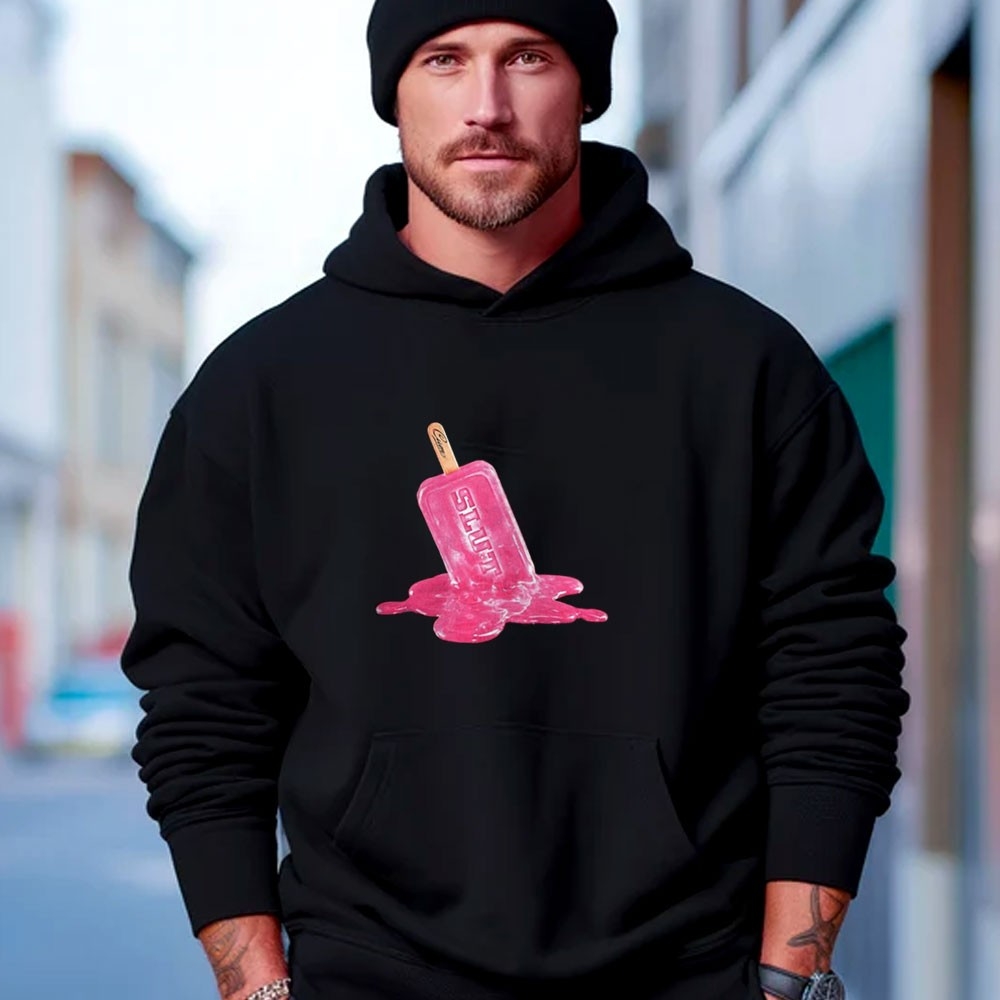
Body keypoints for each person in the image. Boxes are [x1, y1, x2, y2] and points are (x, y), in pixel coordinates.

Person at [121, 1, 909, 998]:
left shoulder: (744, 366)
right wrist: (257, 986)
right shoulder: (261, 388)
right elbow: (203, 705)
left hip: (686, 973)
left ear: (586, 89)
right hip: (366, 976)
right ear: (393, 93)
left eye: (528, 58)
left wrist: (792, 972)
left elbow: (831, 668)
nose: (486, 105)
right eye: (445, 60)